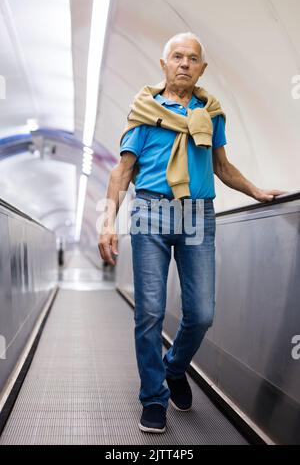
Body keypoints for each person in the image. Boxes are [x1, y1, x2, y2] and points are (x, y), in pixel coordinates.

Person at [98, 32, 285, 434]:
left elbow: (222, 165)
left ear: (202, 68)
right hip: (150, 211)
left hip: (198, 215)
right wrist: (108, 221)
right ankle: (153, 397)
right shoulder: (145, 111)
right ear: (164, 65)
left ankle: (175, 367)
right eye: (177, 56)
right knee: (149, 312)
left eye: (192, 58)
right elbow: (122, 171)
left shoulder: (212, 113)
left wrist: (256, 189)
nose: (184, 63)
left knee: (201, 313)